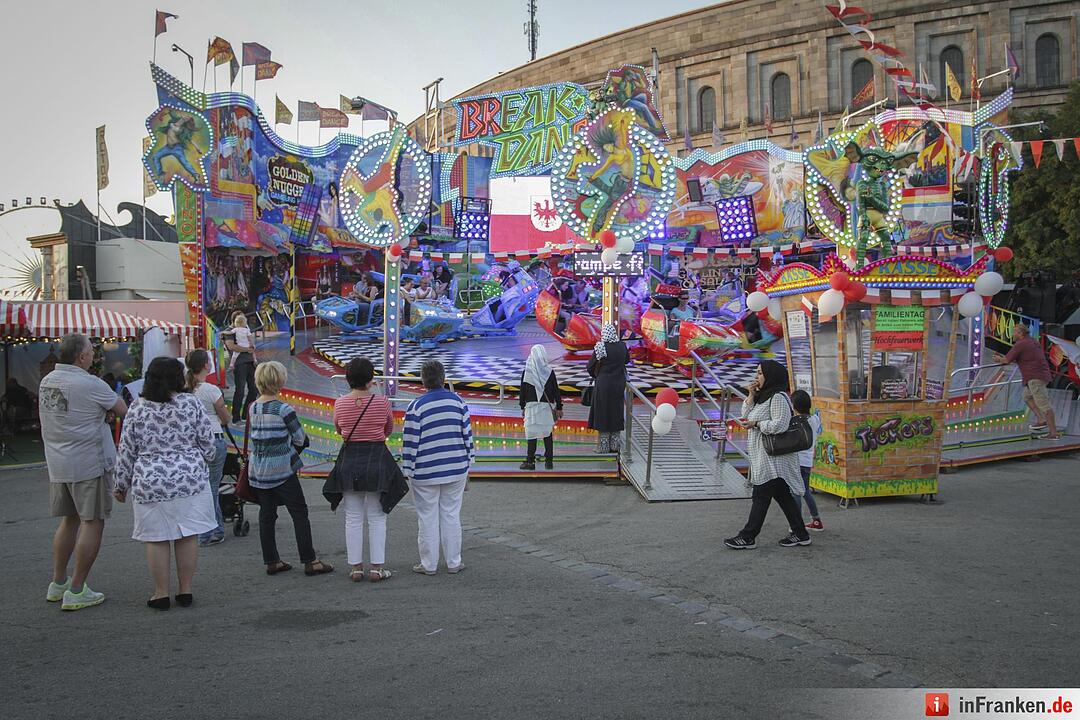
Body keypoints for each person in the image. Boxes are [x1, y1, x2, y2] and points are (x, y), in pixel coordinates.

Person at [113, 358, 217, 610]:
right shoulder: (191, 403)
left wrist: (120, 483)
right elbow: (208, 441)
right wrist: (206, 457)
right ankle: (185, 590)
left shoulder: (137, 408)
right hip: (189, 478)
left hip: (150, 481)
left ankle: (160, 593)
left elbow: (126, 449)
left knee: (157, 538)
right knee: (187, 535)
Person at [38, 333, 127, 611]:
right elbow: (124, 410)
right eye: (91, 350)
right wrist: (106, 415)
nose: (94, 354)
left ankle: (59, 582)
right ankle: (77, 589)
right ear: (82, 357)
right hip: (89, 461)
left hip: (58, 461)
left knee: (70, 520)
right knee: (93, 521)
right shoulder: (91, 383)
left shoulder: (47, 381)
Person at [324, 358, 408, 583]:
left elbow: (340, 430)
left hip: (349, 461)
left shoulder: (340, 403)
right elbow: (388, 429)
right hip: (376, 460)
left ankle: (356, 568)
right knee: (377, 516)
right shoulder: (382, 402)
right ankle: (377, 568)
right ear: (371, 380)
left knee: (352, 517)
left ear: (348, 379)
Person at [248, 361, 333, 577]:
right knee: (299, 513)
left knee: (267, 514)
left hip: (259, 470)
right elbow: (299, 437)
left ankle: (272, 560)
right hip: (282, 470)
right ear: (280, 381)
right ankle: (310, 560)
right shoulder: (284, 409)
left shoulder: (254, 406)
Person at [724, 360, 812, 550]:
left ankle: (748, 536)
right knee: (784, 497)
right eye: (757, 373)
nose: (757, 377)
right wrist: (751, 395)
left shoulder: (778, 397)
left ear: (772, 376)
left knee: (761, 496)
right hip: (765, 457)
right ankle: (800, 533)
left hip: (774, 459)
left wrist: (757, 425)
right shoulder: (763, 396)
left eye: (761, 373)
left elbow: (780, 425)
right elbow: (746, 414)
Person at [401, 361, 474, 575]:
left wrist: (408, 470)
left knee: (427, 517)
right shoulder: (459, 402)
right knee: (451, 514)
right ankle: (454, 562)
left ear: (423, 381)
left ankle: (429, 564)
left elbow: (410, 443)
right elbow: (467, 437)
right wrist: (468, 464)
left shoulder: (416, 406)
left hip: (425, 472)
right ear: (443, 378)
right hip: (455, 468)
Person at [186, 350, 233, 546]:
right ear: (206, 365)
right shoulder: (211, 390)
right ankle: (211, 531)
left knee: (199, 487)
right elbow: (225, 417)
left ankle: (204, 529)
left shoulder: (185, 390)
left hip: (191, 442)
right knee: (212, 487)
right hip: (213, 438)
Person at [994, 323, 1058, 439]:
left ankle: (1053, 433)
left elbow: (1007, 360)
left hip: (1035, 378)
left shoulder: (1021, 344)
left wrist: (998, 359)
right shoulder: (1032, 341)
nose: (1012, 334)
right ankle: (1041, 419)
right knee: (1026, 397)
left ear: (1020, 333)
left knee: (1044, 405)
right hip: (1039, 375)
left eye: (1014, 332)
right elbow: (1021, 358)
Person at [587, 323, 630, 453]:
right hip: (618, 384)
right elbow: (627, 360)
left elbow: (590, 366)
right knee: (616, 411)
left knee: (603, 412)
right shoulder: (622, 346)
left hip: (603, 384)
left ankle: (603, 446)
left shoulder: (601, 347)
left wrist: (596, 374)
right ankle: (615, 445)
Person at [519, 345, 562, 470]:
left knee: (531, 434)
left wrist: (522, 406)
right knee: (547, 434)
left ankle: (530, 461)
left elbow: (523, 391)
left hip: (531, 407)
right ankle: (549, 461)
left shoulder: (527, 372)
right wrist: (559, 406)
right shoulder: (549, 371)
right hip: (546, 408)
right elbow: (556, 391)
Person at [790, 390, 824, 532]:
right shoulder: (814, 419)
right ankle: (816, 520)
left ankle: (797, 525)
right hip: (807, 462)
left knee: (795, 492)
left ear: (794, 406)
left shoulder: (794, 422)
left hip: (796, 461)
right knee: (805, 491)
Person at [228, 313, 258, 424]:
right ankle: (236, 417)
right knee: (240, 390)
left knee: (254, 389)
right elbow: (231, 346)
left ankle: (246, 414)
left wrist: (253, 355)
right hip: (239, 363)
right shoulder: (230, 331)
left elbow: (251, 342)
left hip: (250, 362)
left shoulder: (245, 329)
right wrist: (246, 350)